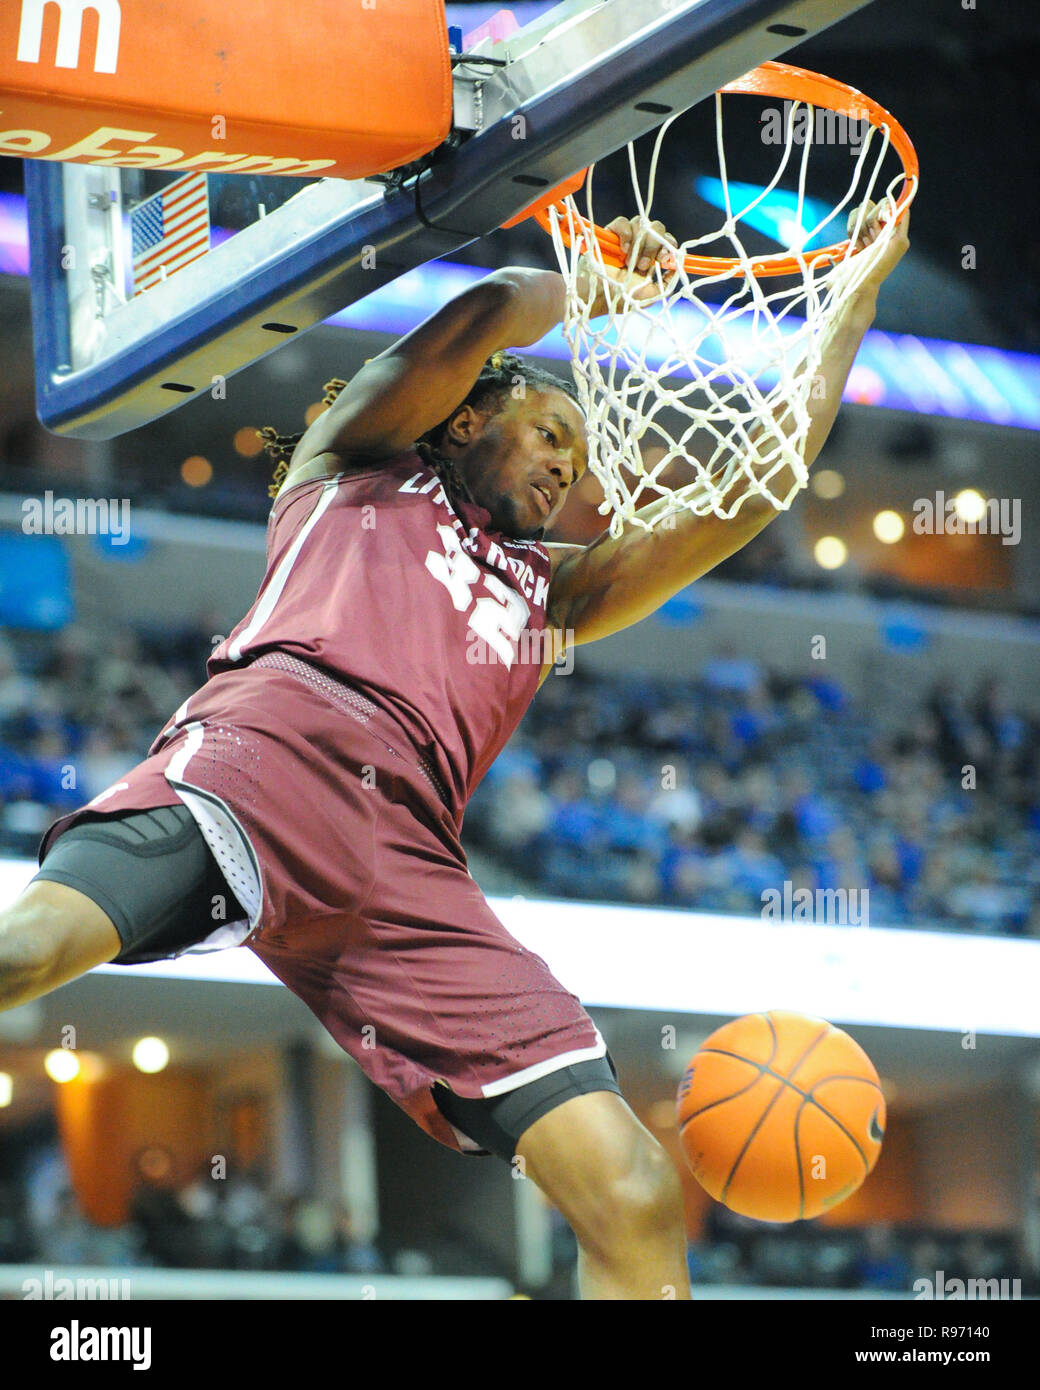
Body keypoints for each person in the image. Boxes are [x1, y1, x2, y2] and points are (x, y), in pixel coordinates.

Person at [0, 202, 908, 1299]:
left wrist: (855, 293)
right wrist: (594, 283)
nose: (568, 474)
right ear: (471, 422)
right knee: (26, 953)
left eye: (577, 463)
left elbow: (753, 489)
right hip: (269, 760)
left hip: (409, 871)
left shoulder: (553, 595)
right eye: (550, 435)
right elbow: (474, 318)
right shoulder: (354, 464)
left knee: (628, 1185)